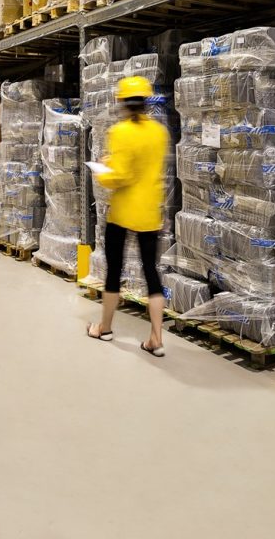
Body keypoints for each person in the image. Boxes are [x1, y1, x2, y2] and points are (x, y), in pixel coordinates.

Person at [86, 75, 169, 357]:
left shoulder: (120, 132)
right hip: (149, 212)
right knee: (151, 273)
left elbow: (120, 176)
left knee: (113, 271)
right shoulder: (159, 132)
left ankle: (104, 328)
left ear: (122, 103)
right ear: (145, 102)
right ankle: (156, 338)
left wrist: (103, 168)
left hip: (122, 213)